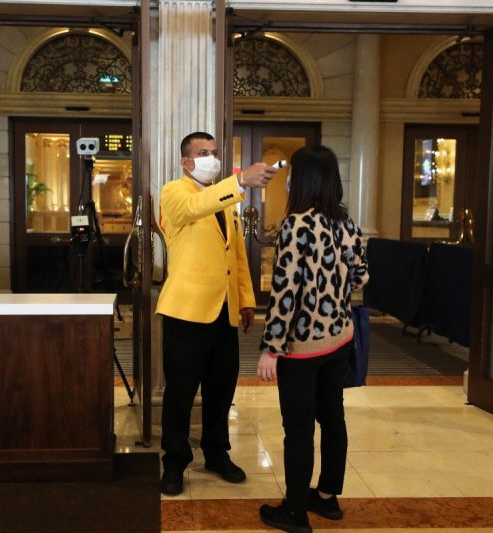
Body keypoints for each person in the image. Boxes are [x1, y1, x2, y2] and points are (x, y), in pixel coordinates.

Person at [156, 131, 277, 496]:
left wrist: (245, 300)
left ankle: (216, 452)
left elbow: (236, 255)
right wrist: (240, 181)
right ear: (186, 162)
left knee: (221, 389)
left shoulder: (226, 203)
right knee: (180, 393)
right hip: (186, 312)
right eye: (203, 153)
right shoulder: (174, 193)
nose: (212, 158)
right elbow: (194, 208)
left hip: (224, 313)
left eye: (214, 152)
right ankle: (174, 461)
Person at [256, 145, 369, 533]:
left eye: (293, 173)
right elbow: (361, 276)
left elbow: (285, 292)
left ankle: (295, 512)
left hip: (302, 347)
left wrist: (272, 348)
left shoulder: (296, 225)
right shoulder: (346, 222)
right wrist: (332, 292)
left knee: (299, 428)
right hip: (340, 338)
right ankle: (327, 497)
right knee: (333, 417)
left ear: (302, 180)